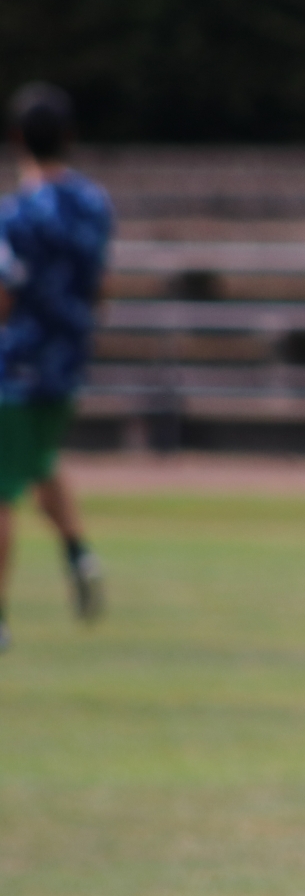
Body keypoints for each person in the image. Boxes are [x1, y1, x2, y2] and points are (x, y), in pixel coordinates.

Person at [0, 83, 114, 653]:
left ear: (17, 139)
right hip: (68, 362)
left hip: (16, 366)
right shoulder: (94, 204)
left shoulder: (17, 214)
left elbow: (4, 294)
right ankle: (78, 553)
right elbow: (100, 285)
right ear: (69, 137)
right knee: (40, 460)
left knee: (3, 488)